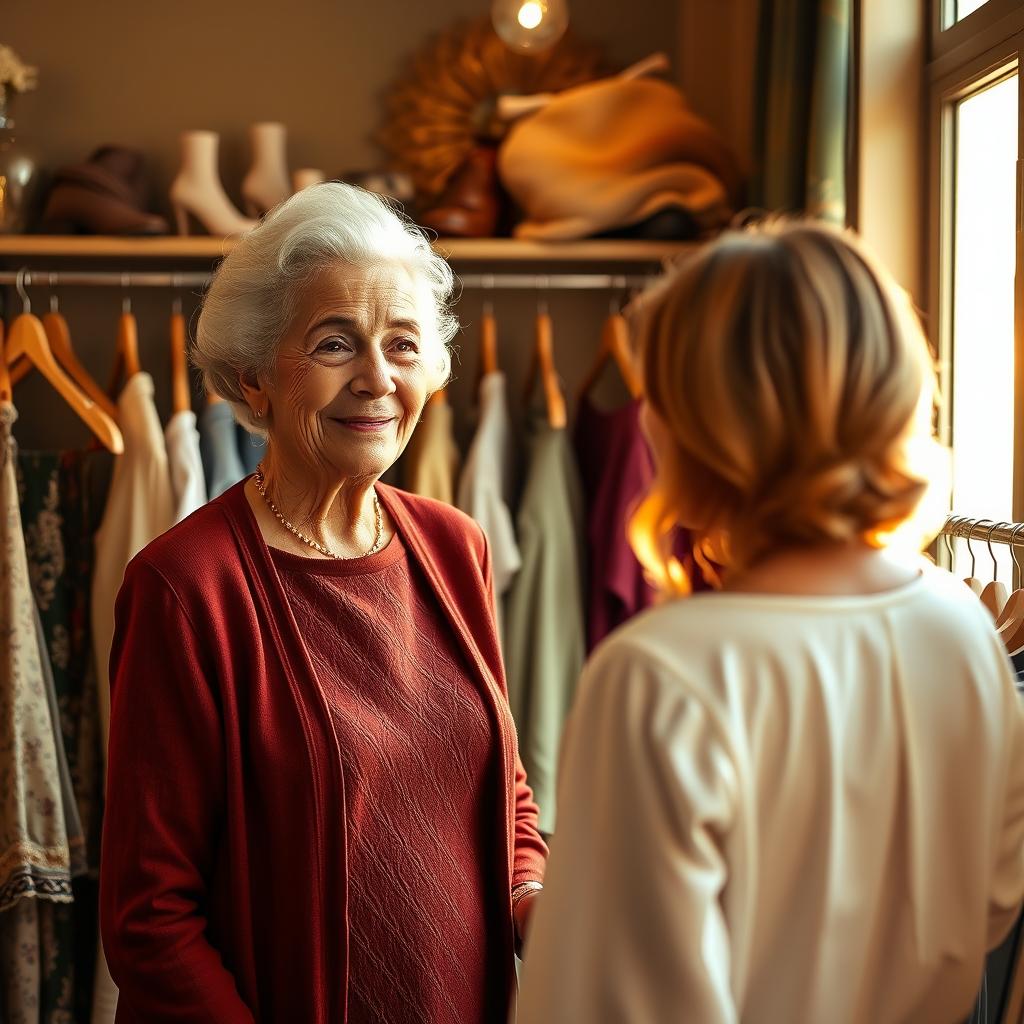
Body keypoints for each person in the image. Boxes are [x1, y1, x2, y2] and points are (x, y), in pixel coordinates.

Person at [517, 220, 1024, 1024]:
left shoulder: (662, 674)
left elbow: (612, 1005)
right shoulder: (965, 633)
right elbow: (994, 911)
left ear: (694, 419)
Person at [99, 183, 547, 1023]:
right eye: (336, 344)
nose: (377, 379)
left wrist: (534, 897)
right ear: (255, 378)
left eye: (403, 345)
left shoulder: (456, 548)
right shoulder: (185, 588)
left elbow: (504, 790)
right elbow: (149, 920)